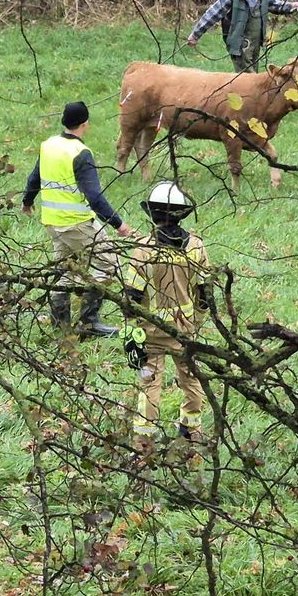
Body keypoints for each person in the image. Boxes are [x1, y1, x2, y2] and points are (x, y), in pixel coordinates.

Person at [22, 101, 134, 337]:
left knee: (63, 271)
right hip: (77, 223)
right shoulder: (81, 153)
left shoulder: (49, 145)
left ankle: (59, 323)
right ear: (85, 124)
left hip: (53, 222)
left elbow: (35, 178)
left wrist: (27, 202)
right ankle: (89, 323)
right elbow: (94, 197)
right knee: (109, 265)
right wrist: (119, 224)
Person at [119, 181, 211, 453]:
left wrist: (131, 335)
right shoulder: (196, 247)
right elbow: (205, 295)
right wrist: (195, 324)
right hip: (186, 333)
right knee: (192, 380)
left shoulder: (144, 250)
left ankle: (144, 442)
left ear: (152, 214)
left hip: (151, 333)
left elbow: (131, 298)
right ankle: (192, 433)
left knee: (149, 383)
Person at [186, 0, 298, 73]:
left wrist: (292, 6)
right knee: (248, 79)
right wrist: (195, 35)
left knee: (252, 76)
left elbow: (275, 6)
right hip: (240, 45)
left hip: (256, 43)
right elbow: (212, 14)